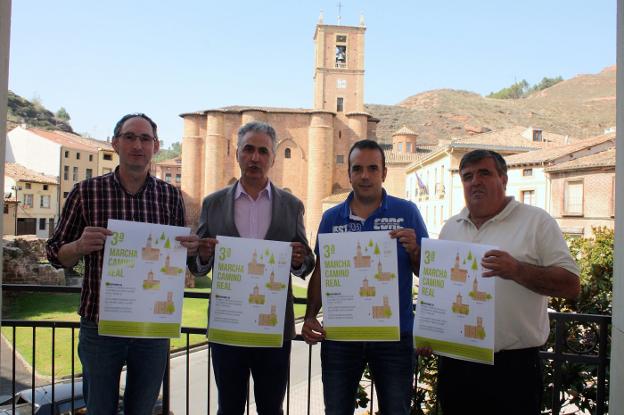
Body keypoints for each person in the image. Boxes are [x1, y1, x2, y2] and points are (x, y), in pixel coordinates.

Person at [47, 113, 199, 415]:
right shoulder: (86, 192)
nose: (138, 145)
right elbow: (54, 253)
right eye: (130, 137)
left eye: (146, 139)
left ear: (156, 147)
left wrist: (188, 249)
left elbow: (177, 257)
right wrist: (78, 246)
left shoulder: (170, 197)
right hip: (101, 325)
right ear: (116, 143)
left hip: (152, 328)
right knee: (100, 409)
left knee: (142, 409)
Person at [436, 149, 580, 415]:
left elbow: (571, 285)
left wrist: (516, 270)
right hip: (456, 363)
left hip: (512, 369)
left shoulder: (537, 221)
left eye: (484, 173)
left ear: (503, 179)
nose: (475, 181)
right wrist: (431, 333)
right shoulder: (450, 227)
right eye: (467, 176)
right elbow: (443, 290)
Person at [188, 121, 314, 415]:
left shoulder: (292, 205)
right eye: (248, 150)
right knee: (229, 407)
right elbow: (195, 265)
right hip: (228, 325)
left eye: (262, 151)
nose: (255, 157)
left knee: (271, 408)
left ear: (272, 157)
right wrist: (203, 255)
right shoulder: (213, 203)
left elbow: (306, 261)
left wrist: (299, 260)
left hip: (273, 327)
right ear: (237, 154)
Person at [302, 139, 428, 415]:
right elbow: (322, 270)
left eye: (373, 168)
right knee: (336, 410)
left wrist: (416, 250)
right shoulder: (331, 218)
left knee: (396, 410)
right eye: (358, 169)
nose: (365, 175)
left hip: (394, 336)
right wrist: (311, 314)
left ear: (384, 173)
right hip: (341, 335)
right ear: (349, 174)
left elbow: (425, 272)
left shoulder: (407, 213)